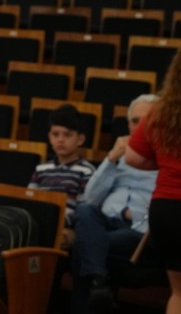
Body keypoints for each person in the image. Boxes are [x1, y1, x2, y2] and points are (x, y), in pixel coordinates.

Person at [126, 38, 181, 314]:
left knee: (180, 294)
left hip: (166, 211)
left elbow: (133, 157)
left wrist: (169, 165)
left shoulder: (161, 112)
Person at [71, 94, 158, 314]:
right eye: (135, 121)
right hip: (106, 222)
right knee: (84, 209)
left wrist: (139, 220)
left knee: (86, 245)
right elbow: (91, 198)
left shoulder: (168, 159)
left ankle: (97, 286)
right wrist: (111, 159)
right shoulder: (120, 156)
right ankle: (100, 284)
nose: (140, 127)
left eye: (147, 121)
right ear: (128, 125)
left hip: (138, 231)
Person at [29, 103, 96, 241]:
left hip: (66, 227)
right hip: (38, 221)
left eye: (67, 135)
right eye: (55, 134)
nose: (60, 140)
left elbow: (83, 211)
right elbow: (30, 199)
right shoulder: (41, 169)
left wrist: (57, 220)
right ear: (49, 137)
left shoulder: (87, 171)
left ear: (80, 139)